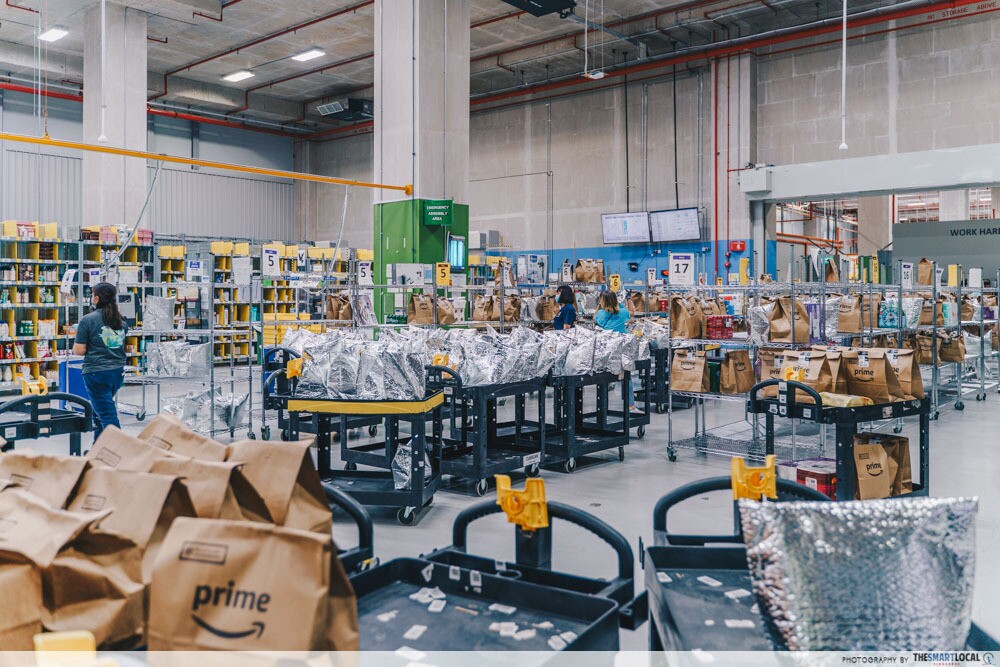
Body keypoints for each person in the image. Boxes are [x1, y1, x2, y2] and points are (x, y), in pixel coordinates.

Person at [73, 282, 127, 440]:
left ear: (96, 298)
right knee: (100, 413)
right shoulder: (121, 321)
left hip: (96, 373)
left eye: (92, 295)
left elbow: (79, 350)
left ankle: (119, 452)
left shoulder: (88, 320)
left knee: (107, 416)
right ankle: (98, 451)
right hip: (117, 373)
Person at [594, 291, 641, 413]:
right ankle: (630, 405)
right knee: (627, 377)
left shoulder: (600, 313)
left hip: (606, 351)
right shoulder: (623, 312)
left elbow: (595, 318)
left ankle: (603, 407)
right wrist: (628, 299)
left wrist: (600, 305)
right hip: (621, 349)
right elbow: (632, 313)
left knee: (603, 378)